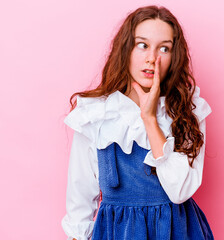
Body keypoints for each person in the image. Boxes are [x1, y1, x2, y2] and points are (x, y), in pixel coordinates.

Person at [61, 5, 214, 240]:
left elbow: (180, 191)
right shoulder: (96, 114)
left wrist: (150, 119)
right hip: (118, 232)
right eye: (142, 45)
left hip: (177, 232)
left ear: (174, 57)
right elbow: (80, 199)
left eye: (164, 48)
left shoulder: (187, 111)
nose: (152, 58)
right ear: (127, 49)